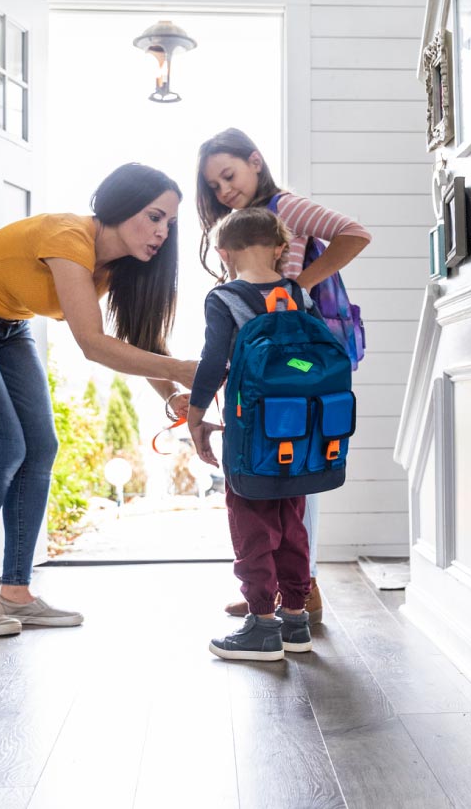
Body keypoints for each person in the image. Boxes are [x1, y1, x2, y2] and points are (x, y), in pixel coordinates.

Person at [0, 163, 197, 636]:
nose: (163, 231)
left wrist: (175, 394)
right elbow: (93, 344)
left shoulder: (117, 268)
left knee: (39, 449)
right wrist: (180, 370)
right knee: (1, 450)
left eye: (170, 222)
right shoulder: (69, 238)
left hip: (6, 325)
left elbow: (139, 338)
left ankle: (16, 594)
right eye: (155, 216)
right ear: (121, 206)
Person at [196, 128, 372, 623]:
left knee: (294, 467)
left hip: (298, 353)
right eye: (214, 186)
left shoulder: (286, 207)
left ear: (255, 161)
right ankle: (282, 592)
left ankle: (299, 590)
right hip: (280, 356)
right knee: (287, 463)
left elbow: (355, 232)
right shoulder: (247, 228)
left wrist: (300, 289)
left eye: (228, 175)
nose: (223, 190)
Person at [187, 208, 316, 660]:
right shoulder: (298, 294)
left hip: (252, 433)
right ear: (281, 247)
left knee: (251, 523)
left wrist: (195, 414)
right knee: (291, 521)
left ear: (224, 253)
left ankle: (262, 624)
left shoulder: (224, 298)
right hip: (303, 432)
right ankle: (295, 620)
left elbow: (213, 363)